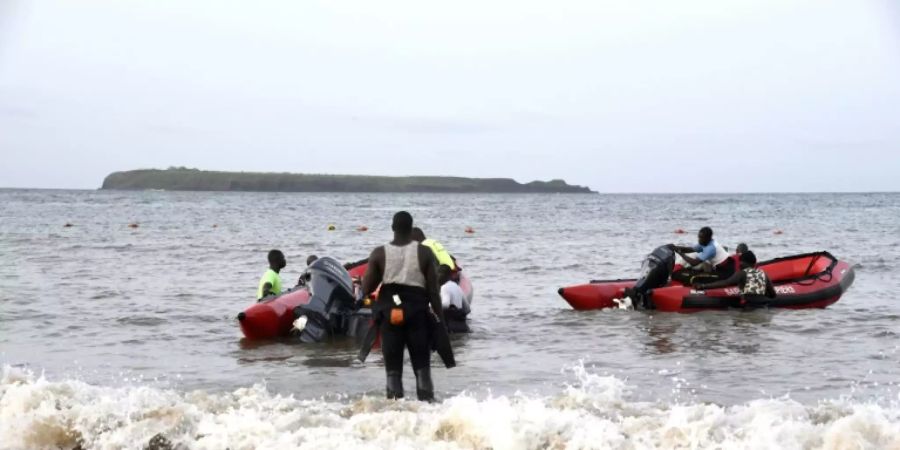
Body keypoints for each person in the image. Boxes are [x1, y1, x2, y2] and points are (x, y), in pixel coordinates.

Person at [362, 211, 444, 401]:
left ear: (392, 228)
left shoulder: (379, 253)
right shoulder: (424, 253)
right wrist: (440, 321)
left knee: (393, 373)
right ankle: (428, 411)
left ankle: (396, 412)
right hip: (418, 318)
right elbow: (433, 291)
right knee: (422, 370)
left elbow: (367, 288)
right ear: (410, 228)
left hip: (391, 318)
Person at [694, 250, 776, 307]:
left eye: (740, 262)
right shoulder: (763, 273)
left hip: (750, 307)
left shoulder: (742, 273)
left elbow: (725, 283)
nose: (739, 264)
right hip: (764, 306)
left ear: (744, 262)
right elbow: (773, 294)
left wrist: (703, 286)